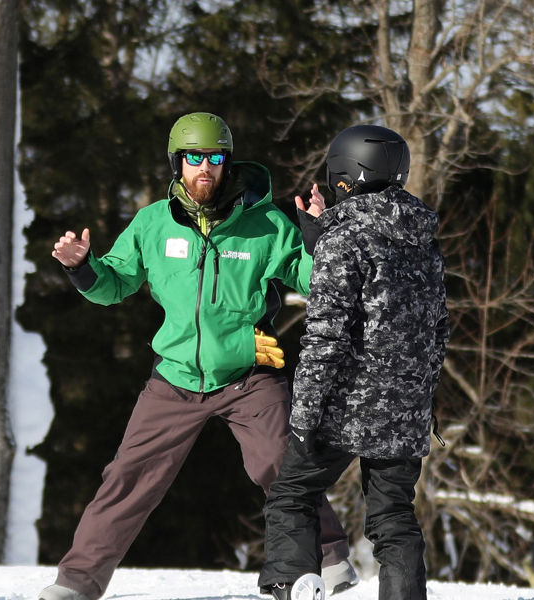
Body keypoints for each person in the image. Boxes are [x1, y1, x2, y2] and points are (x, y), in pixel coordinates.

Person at [37, 112, 353, 600]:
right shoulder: (152, 223)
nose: (204, 167)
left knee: (278, 462)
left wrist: (316, 240)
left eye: (215, 158)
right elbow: (114, 284)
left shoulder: (266, 224)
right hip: (176, 376)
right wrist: (82, 267)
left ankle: (330, 557)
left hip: (249, 373)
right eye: (194, 157)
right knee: (127, 476)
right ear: (177, 162)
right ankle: (77, 582)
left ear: (228, 163)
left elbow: (316, 283)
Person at [257, 125, 445, 600]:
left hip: (346, 406)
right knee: (394, 518)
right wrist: (422, 398)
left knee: (291, 496)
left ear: (344, 174)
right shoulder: (422, 238)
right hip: (405, 409)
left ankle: (293, 586)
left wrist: (304, 415)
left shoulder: (345, 240)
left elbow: (326, 336)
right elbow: (437, 328)